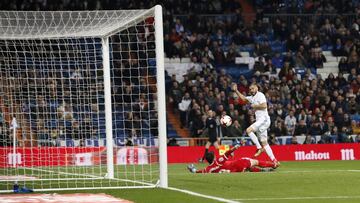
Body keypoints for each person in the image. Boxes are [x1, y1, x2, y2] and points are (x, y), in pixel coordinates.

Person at [231, 83, 280, 167]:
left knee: (248, 130)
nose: (251, 90)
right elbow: (243, 98)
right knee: (264, 142)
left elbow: (264, 106)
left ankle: (259, 148)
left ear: (257, 88)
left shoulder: (260, 95)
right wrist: (236, 90)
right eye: (250, 89)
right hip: (260, 121)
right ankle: (275, 161)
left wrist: (255, 106)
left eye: (252, 88)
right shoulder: (252, 98)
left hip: (264, 119)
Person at [188, 145, 277, 173]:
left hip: (235, 170)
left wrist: (193, 170)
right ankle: (273, 164)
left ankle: (263, 171)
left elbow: (200, 171)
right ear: (214, 157)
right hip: (237, 164)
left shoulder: (208, 169)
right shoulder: (218, 161)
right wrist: (234, 148)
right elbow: (226, 153)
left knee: (250, 167)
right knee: (254, 161)